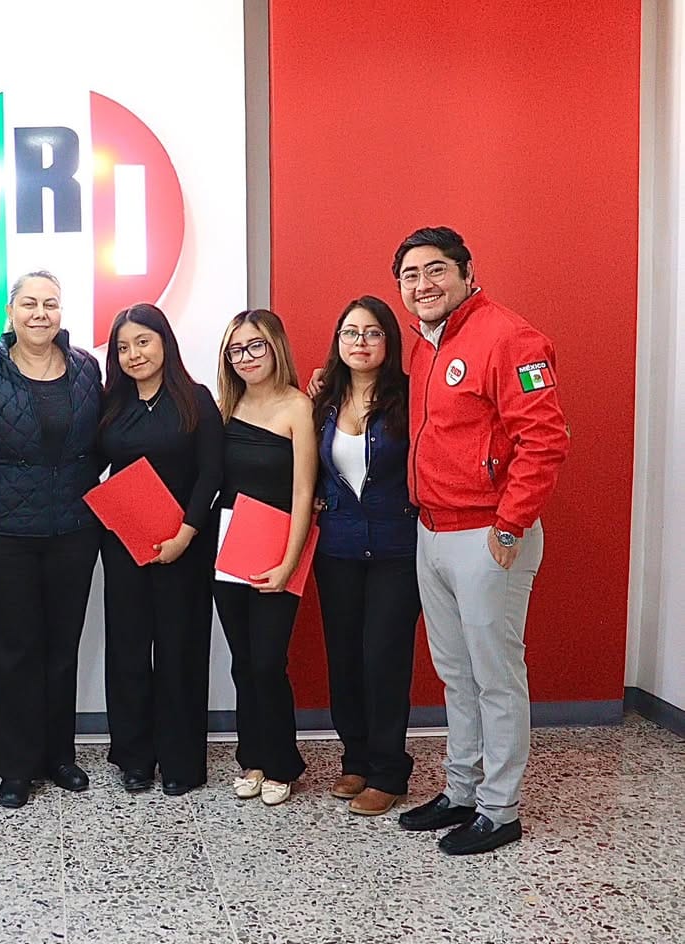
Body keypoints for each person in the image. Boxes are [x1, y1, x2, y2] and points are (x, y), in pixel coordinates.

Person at [389, 226, 569, 854]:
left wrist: (510, 524)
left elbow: (544, 441)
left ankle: (500, 808)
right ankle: (461, 790)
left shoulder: (509, 337)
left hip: (489, 536)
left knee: (495, 677)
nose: (423, 284)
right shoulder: (426, 344)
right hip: (433, 530)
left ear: (467, 273)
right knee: (455, 675)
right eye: (410, 275)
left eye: (435, 269)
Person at [0, 271, 102, 809]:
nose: (40, 313)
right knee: (13, 651)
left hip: (73, 533)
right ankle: (15, 766)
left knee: (62, 647)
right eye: (29, 303)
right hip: (5, 536)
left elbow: (104, 445)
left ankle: (59, 756)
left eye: (50, 304)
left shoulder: (86, 368)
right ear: (10, 312)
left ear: (61, 312)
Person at [97, 303, 222, 796]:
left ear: (165, 342)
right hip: (125, 544)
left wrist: (185, 535)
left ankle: (180, 761)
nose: (134, 354)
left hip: (185, 545)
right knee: (127, 650)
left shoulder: (195, 399)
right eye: (123, 347)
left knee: (180, 650)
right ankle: (134, 758)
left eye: (143, 342)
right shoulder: (111, 404)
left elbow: (211, 473)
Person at [311, 296, 420, 817]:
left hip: (397, 547)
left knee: (384, 659)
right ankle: (354, 758)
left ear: (389, 342)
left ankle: (388, 771)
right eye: (351, 332)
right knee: (345, 657)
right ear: (338, 341)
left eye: (372, 332)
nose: (361, 342)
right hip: (337, 547)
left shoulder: (411, 396)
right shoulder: (324, 401)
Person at [212, 309, 316, 806]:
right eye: (236, 350)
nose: (246, 357)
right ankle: (251, 758)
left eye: (255, 346)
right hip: (228, 551)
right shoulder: (225, 408)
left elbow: (303, 492)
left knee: (269, 662)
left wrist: (289, 563)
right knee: (243, 662)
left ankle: (281, 762)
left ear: (275, 347)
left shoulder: (298, 407)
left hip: (279, 551)